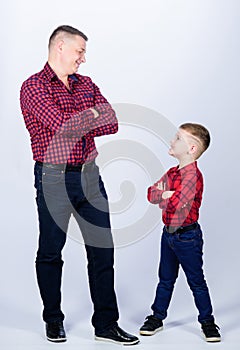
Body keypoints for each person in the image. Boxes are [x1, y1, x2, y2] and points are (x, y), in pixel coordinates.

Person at [20, 25, 139, 346]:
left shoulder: (86, 83)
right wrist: (90, 114)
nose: (83, 59)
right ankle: (53, 321)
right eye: (79, 51)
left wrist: (80, 118)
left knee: (102, 250)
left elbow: (111, 120)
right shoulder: (33, 87)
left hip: (89, 175)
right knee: (50, 251)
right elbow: (61, 126)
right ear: (60, 46)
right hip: (53, 177)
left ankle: (106, 325)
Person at [139, 123, 221, 342]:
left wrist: (166, 196)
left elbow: (177, 202)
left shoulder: (194, 176)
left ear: (191, 149)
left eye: (177, 138)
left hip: (188, 237)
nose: (172, 141)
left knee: (196, 281)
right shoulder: (172, 173)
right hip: (168, 235)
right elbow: (150, 193)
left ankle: (208, 322)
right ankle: (157, 317)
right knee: (165, 279)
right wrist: (165, 194)